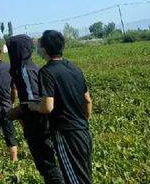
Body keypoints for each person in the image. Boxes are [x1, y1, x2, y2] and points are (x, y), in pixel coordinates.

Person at [29, 30, 93, 184]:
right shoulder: (75, 68)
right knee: (84, 176)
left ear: (44, 50)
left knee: (73, 179)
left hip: (65, 134)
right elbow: (88, 100)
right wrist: (83, 121)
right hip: (83, 131)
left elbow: (47, 107)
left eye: (39, 46)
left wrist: (34, 106)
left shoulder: (46, 72)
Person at [7, 34, 64, 183]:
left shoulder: (25, 70)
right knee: (45, 165)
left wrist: (14, 113)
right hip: (35, 124)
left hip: (39, 126)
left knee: (48, 166)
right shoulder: (24, 68)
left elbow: (34, 101)